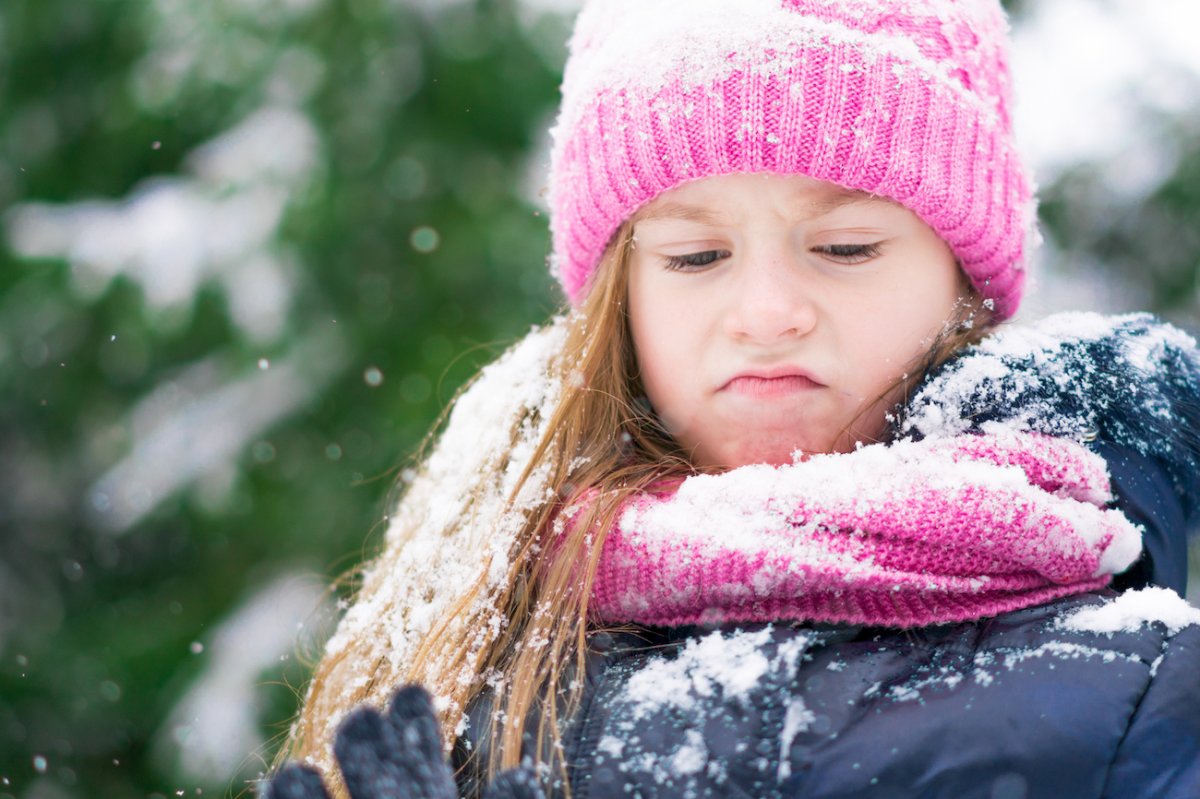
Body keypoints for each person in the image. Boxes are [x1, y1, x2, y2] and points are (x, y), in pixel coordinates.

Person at [265, 1, 1200, 797]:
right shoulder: (480, 633)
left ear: (964, 279)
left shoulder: (1146, 689)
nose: (766, 313)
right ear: (619, 298)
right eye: (696, 257)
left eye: (845, 248)